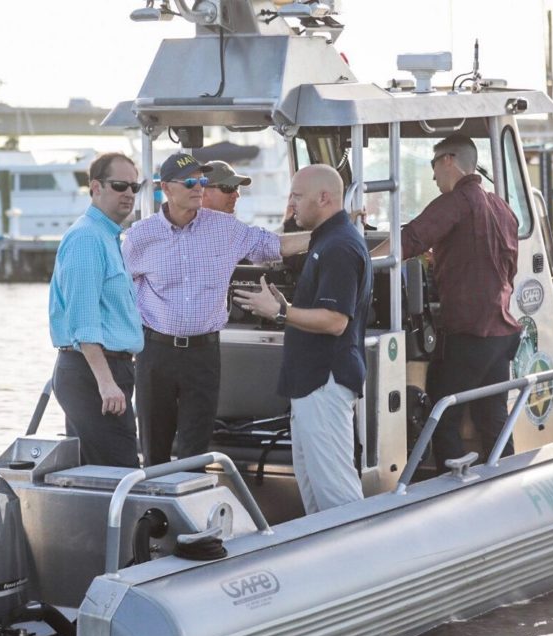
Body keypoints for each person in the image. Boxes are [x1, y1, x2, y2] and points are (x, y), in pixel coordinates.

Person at [122, 153, 309, 466]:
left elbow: (273, 245)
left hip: (203, 355)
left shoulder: (226, 228)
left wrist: (328, 234)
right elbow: (116, 293)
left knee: (196, 451)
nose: (199, 188)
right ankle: (153, 513)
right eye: (191, 182)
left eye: (203, 181)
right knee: (154, 449)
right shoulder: (140, 236)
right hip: (155, 354)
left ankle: (188, 511)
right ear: (166, 188)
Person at [371, 134, 521, 471]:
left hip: (470, 332)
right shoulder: (502, 207)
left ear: (449, 161)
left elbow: (410, 239)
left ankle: (449, 485)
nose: (433, 175)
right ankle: (506, 476)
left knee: (440, 412)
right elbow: (504, 266)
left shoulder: (457, 201)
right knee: (492, 414)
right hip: (501, 333)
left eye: (433, 165)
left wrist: (363, 264)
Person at [232, 164, 373, 514]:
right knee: (314, 496)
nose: (291, 205)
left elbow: (335, 321)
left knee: (337, 497)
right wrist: (285, 307)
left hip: (323, 383)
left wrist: (279, 312)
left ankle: (361, 564)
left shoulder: (339, 246)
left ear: (324, 198)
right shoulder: (328, 240)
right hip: (311, 384)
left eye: (296, 196)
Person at [48, 152, 144, 466]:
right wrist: (106, 383)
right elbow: (83, 321)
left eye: (134, 186)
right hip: (94, 373)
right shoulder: (88, 238)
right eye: (120, 185)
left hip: (106, 370)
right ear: (96, 188)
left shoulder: (108, 236)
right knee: (119, 472)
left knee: (100, 473)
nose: (129, 193)